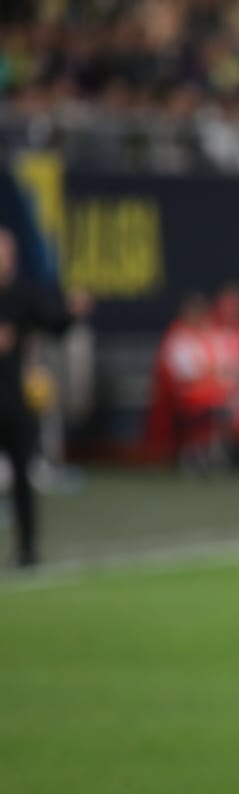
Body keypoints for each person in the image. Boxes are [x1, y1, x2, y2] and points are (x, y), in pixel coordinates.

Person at [0, 227, 88, 568]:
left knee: (23, 475)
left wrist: (73, 311)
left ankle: (27, 549)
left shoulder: (22, 295)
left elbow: (54, 323)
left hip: (13, 400)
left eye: (8, 255)